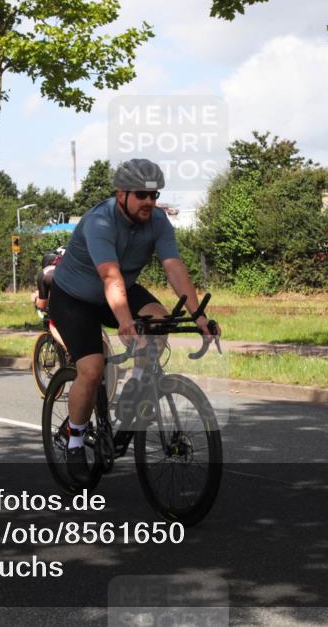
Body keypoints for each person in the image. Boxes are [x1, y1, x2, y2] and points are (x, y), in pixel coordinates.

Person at [47, 158, 218, 482]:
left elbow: (174, 267)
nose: (149, 202)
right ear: (121, 193)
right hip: (75, 298)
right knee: (92, 368)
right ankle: (74, 438)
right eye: (142, 195)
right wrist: (125, 322)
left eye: (154, 196)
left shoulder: (158, 221)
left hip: (119, 289)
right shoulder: (100, 222)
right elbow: (109, 276)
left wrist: (199, 316)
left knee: (159, 320)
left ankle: (136, 389)